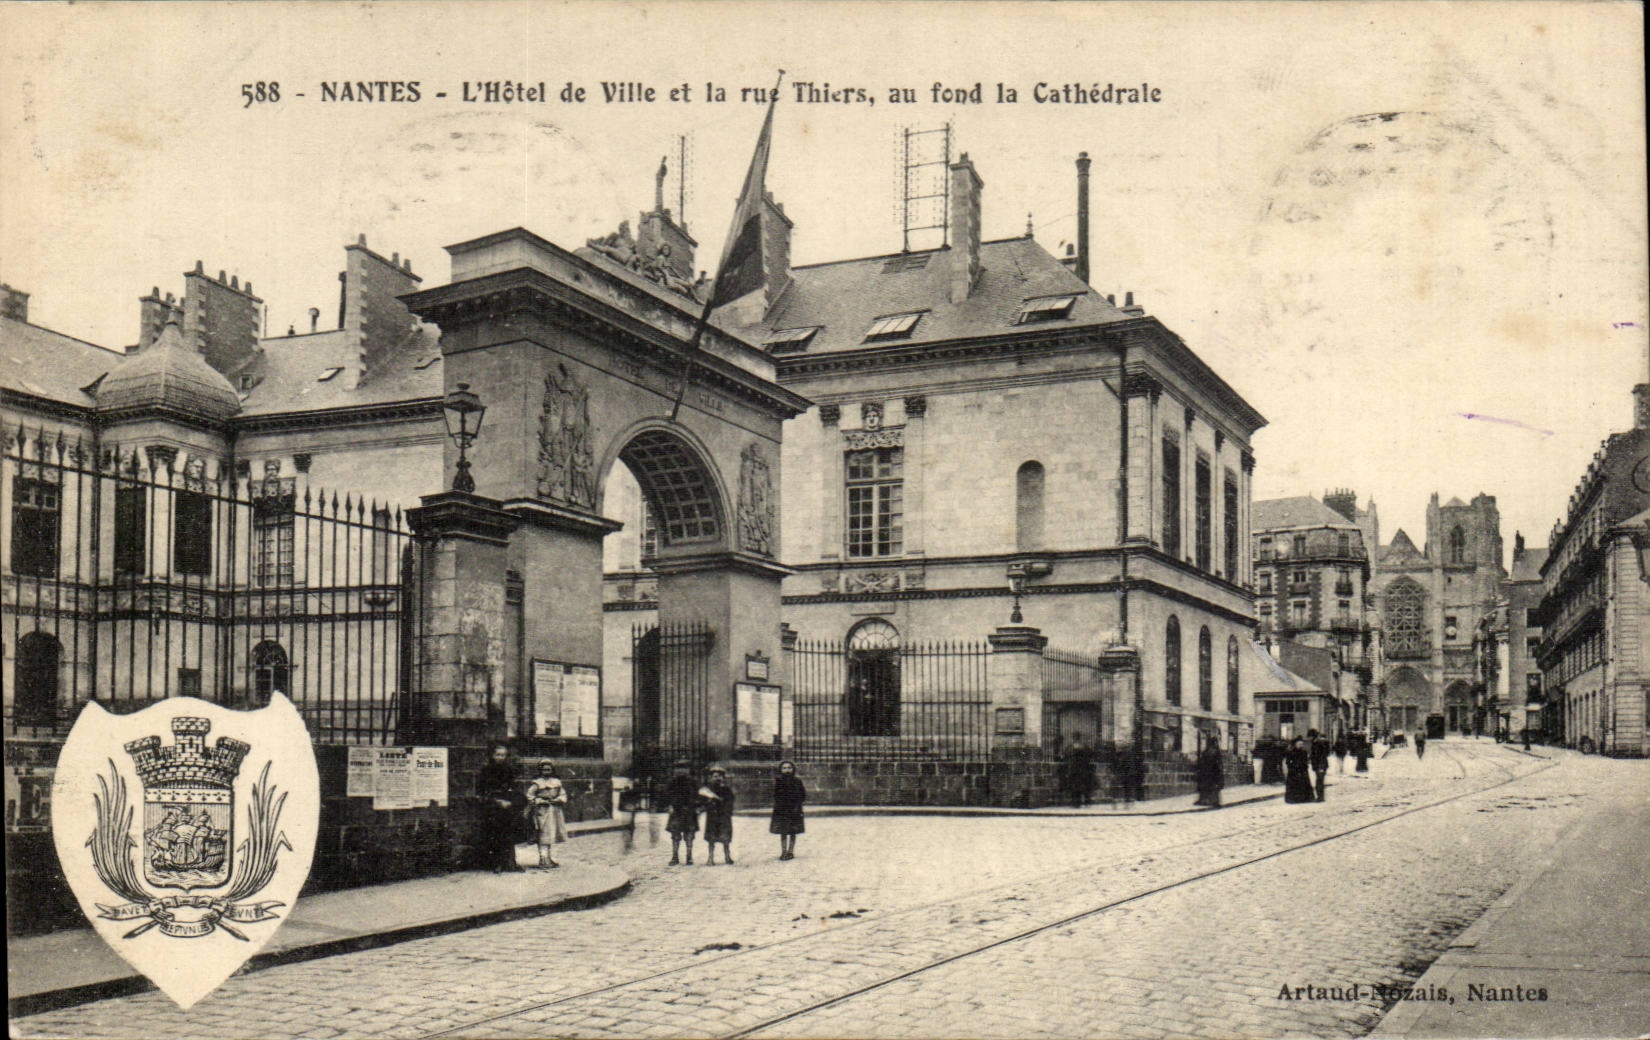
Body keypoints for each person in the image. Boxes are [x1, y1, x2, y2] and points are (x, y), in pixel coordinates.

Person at [478, 744, 525, 873]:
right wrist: (497, 801)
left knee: (510, 834)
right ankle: (497, 863)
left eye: (503, 755)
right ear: (492, 755)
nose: (500, 757)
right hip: (493, 806)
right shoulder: (486, 770)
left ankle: (511, 862)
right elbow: (482, 791)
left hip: (508, 805)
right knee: (495, 835)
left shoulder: (508, 770)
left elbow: (513, 787)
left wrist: (511, 800)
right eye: (498, 755)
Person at [526, 761, 569, 868]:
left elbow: (563, 794)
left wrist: (558, 799)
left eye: (548, 769)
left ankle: (548, 858)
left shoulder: (556, 782)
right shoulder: (537, 783)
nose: (546, 772)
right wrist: (540, 801)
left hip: (554, 811)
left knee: (549, 835)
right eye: (544, 769)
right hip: (541, 812)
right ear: (540, 770)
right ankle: (543, 859)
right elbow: (529, 795)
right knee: (542, 835)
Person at [662, 760, 700, 865]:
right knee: (675, 835)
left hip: (690, 812)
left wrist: (698, 807)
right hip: (676, 812)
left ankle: (689, 856)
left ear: (689, 770)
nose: (681, 771)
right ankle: (675, 856)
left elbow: (698, 796)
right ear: (674, 770)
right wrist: (669, 806)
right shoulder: (672, 782)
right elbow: (666, 796)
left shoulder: (693, 782)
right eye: (678, 768)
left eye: (684, 768)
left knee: (689, 835)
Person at [770, 760, 806, 860]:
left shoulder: (797, 781)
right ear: (781, 770)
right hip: (782, 810)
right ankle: (783, 851)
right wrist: (780, 805)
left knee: (793, 831)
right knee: (783, 831)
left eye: (789, 768)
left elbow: (802, 795)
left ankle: (791, 851)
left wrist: (797, 805)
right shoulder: (779, 781)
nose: (787, 770)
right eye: (784, 768)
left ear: (793, 769)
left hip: (794, 809)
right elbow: (776, 795)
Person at [701, 765, 736, 865]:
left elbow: (730, 801)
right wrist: (709, 802)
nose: (717, 778)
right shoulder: (708, 790)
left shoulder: (726, 790)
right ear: (711, 778)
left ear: (723, 778)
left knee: (725, 838)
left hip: (724, 816)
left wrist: (727, 809)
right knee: (711, 838)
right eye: (715, 776)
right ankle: (710, 857)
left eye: (720, 776)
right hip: (712, 816)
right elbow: (703, 802)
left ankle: (727, 856)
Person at [1061, 737, 1095, 808]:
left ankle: (1076, 803)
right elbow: (1092, 754)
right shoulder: (1085, 747)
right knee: (1086, 786)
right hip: (1084, 769)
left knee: (1075, 787)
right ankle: (1087, 802)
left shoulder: (1070, 747)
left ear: (1074, 738)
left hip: (1074, 770)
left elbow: (1064, 756)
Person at [1195, 733, 1225, 808]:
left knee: (1206, 787)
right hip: (1213, 772)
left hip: (1206, 772)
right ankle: (1214, 801)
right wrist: (1219, 771)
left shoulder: (1206, 751)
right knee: (1214, 787)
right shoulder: (1215, 751)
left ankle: (1204, 800)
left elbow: (1201, 762)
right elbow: (1217, 763)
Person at [1284, 736, 1314, 804]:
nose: (1301, 745)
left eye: (1301, 744)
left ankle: (1304, 799)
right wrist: (1292, 766)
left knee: (1304, 784)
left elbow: (1305, 760)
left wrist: (1305, 766)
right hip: (1293, 770)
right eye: (1299, 744)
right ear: (1295, 744)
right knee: (1294, 784)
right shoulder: (1291, 752)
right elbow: (1288, 761)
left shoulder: (1304, 752)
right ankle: (1293, 799)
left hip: (1302, 770)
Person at [1309, 729, 1331, 802]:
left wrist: (1321, 766)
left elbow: (1322, 755)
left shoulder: (1319, 743)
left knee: (1319, 782)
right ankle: (1320, 797)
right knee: (1319, 781)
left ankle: (1320, 797)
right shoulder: (1316, 742)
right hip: (1318, 765)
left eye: (1310, 737)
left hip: (1320, 765)